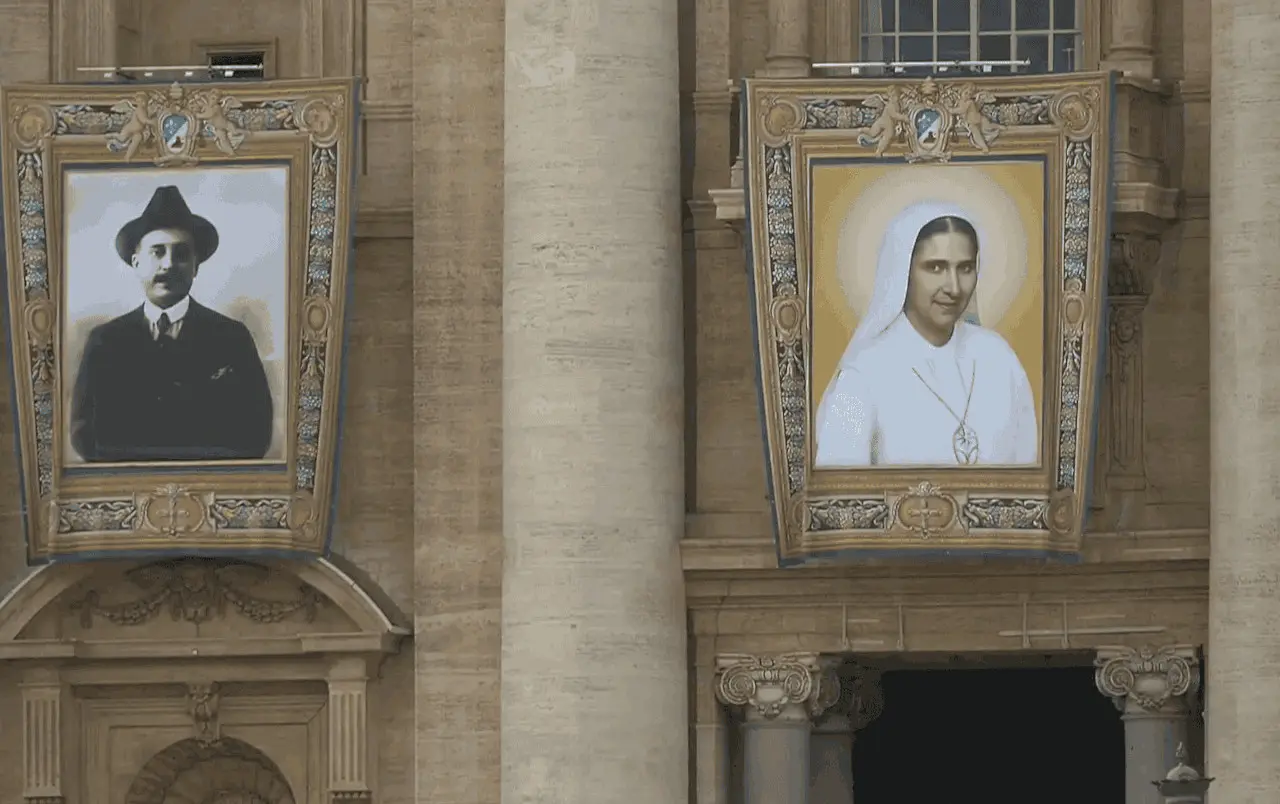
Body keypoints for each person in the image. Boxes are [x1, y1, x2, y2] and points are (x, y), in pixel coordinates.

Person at [814, 201, 1038, 468]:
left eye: (965, 268)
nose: (954, 288)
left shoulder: (999, 358)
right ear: (902, 272)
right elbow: (842, 497)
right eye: (935, 268)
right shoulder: (862, 375)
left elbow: (1028, 474)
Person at [70, 185, 274, 463]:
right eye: (157, 252)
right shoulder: (105, 341)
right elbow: (84, 436)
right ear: (136, 262)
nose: (168, 264)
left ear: (195, 266)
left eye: (181, 254)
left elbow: (255, 434)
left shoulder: (231, 338)